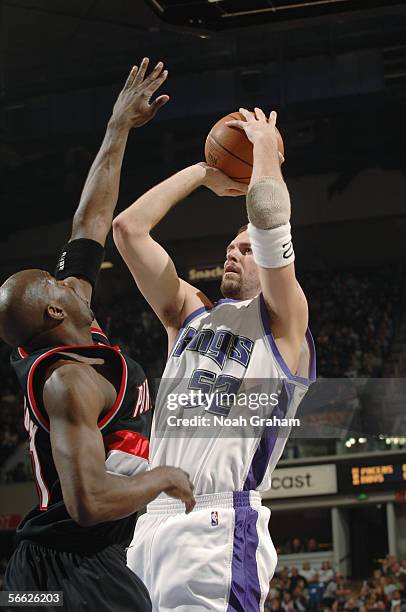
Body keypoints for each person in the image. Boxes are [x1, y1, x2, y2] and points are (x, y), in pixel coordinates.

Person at [0, 58, 195, 612]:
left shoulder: (71, 310)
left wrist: (117, 128)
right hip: (64, 570)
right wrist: (161, 478)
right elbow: (87, 502)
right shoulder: (67, 381)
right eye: (55, 283)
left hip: (55, 570)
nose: (67, 277)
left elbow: (90, 219)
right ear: (55, 316)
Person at [114, 107, 316, 610]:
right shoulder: (189, 316)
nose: (234, 251)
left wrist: (266, 146)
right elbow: (128, 229)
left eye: (246, 249)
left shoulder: (286, 323)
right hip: (150, 524)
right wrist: (204, 174)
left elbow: (269, 218)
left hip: (219, 526)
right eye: (230, 245)